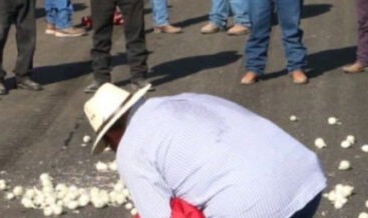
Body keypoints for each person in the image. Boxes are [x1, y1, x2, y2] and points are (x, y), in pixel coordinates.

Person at [84, 84, 326, 217]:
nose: (114, 150)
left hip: (255, 205)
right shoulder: (184, 100)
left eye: (109, 144)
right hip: (305, 177)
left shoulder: (130, 148)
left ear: (111, 134)